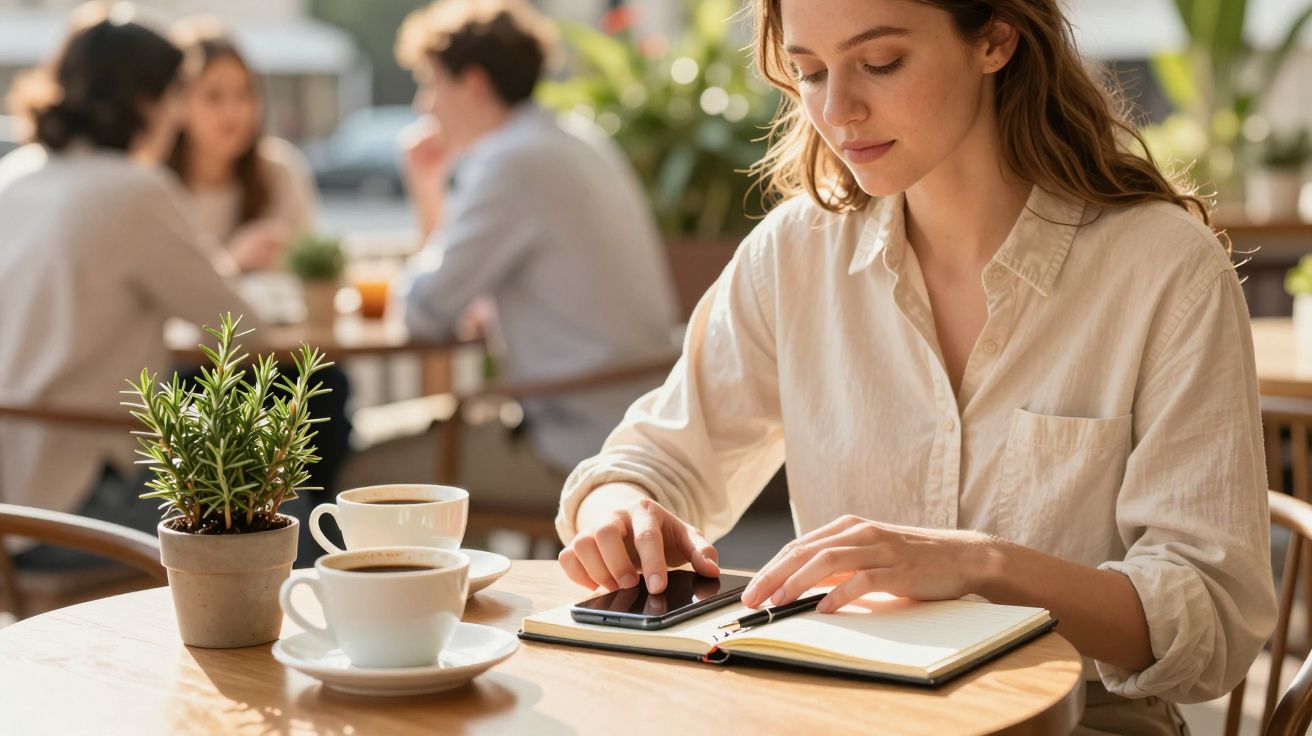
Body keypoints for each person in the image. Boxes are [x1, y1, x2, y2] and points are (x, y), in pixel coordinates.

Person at [554, 1, 1277, 732]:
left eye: (881, 63)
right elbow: (651, 461)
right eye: (809, 71)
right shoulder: (796, 254)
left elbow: (1209, 620)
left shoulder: (1163, 270)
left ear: (995, 38)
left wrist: (986, 566)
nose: (837, 110)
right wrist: (620, 511)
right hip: (846, 712)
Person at [0, 4, 268, 565]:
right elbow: (245, 331)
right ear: (147, 101)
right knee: (297, 524)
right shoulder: (131, 191)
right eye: (176, 94)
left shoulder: (16, 177)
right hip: (80, 503)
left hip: (16, 503)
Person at [389, 0, 680, 512]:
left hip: (575, 443)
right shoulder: (572, 140)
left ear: (474, 84)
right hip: (627, 417)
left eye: (432, 84)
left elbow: (422, 314)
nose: (424, 106)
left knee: (349, 466)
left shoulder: (512, 162)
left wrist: (424, 186)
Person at [167, 18, 319, 272]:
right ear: (178, 104)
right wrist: (231, 261)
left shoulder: (280, 171)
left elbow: (316, 272)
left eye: (244, 93)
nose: (233, 112)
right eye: (213, 96)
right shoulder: (157, 187)